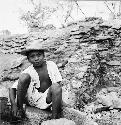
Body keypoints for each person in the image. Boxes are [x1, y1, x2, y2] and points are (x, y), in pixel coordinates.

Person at [9, 40, 62, 119]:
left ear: (43, 55)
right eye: (32, 56)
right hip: (32, 99)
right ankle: (20, 108)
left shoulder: (51, 65)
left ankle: (54, 118)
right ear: (28, 59)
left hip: (47, 99)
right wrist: (14, 105)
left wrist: (58, 101)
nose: (36, 58)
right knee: (24, 77)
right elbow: (12, 89)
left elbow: (58, 85)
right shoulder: (28, 71)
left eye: (39, 55)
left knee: (56, 86)